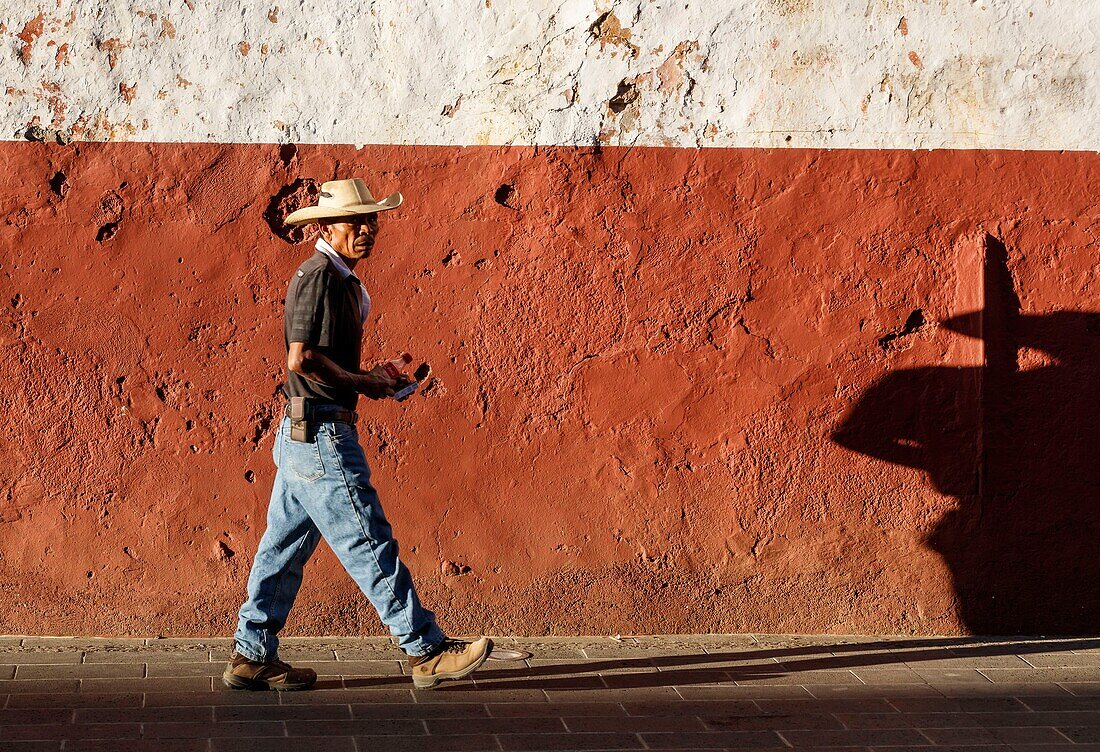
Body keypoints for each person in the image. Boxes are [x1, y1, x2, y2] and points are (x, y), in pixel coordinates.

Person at [223, 178, 492, 691]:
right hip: (321, 436)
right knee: (368, 540)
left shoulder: (341, 278)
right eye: (356, 221)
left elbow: (323, 360)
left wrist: (373, 378)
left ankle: (251, 654)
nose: (367, 229)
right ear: (325, 227)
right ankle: (426, 650)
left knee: (282, 550)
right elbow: (301, 359)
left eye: (372, 221)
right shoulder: (318, 276)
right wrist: (365, 382)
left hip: (305, 434)